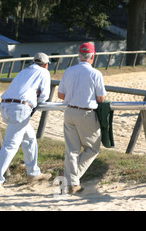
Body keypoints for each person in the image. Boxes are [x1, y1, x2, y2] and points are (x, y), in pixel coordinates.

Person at [0, 53, 52, 194]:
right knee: (10, 146)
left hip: (5, 106)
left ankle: (33, 173)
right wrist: (37, 102)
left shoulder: (24, 71)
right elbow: (45, 96)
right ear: (46, 64)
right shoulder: (44, 73)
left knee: (29, 138)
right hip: (20, 109)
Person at [57, 43, 106, 194]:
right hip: (86, 113)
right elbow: (101, 98)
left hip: (69, 111)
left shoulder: (68, 71)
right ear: (92, 56)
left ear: (79, 55)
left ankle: (71, 181)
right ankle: (71, 179)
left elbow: (60, 95)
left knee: (71, 150)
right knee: (92, 148)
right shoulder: (95, 73)